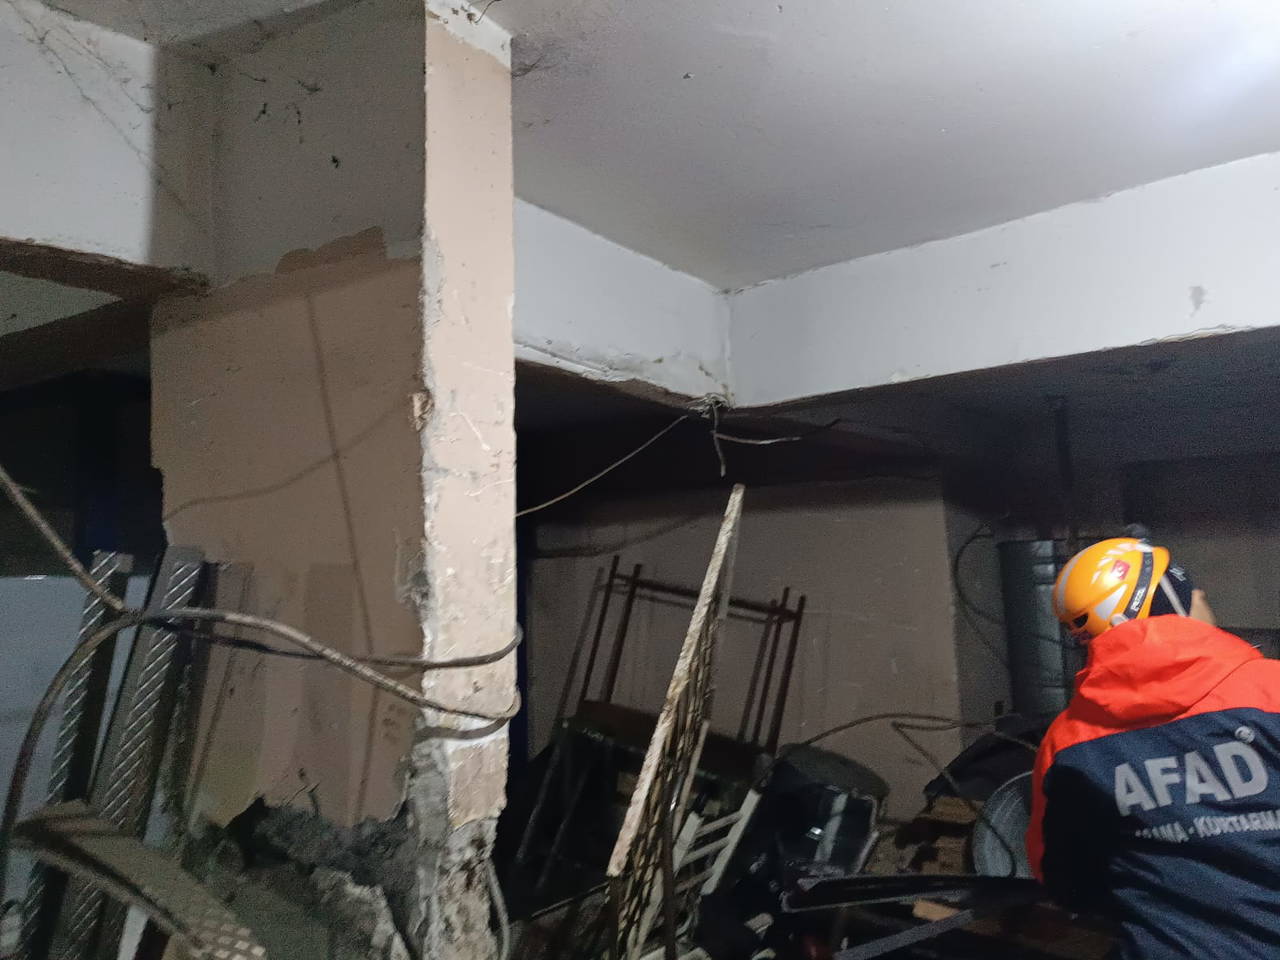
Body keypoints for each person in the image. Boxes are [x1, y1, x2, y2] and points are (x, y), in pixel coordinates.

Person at [1027, 536, 1280, 959]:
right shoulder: (1272, 691)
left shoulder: (1069, 740)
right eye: (1191, 590)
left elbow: (1065, 878)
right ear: (1166, 599)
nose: (1201, 595)